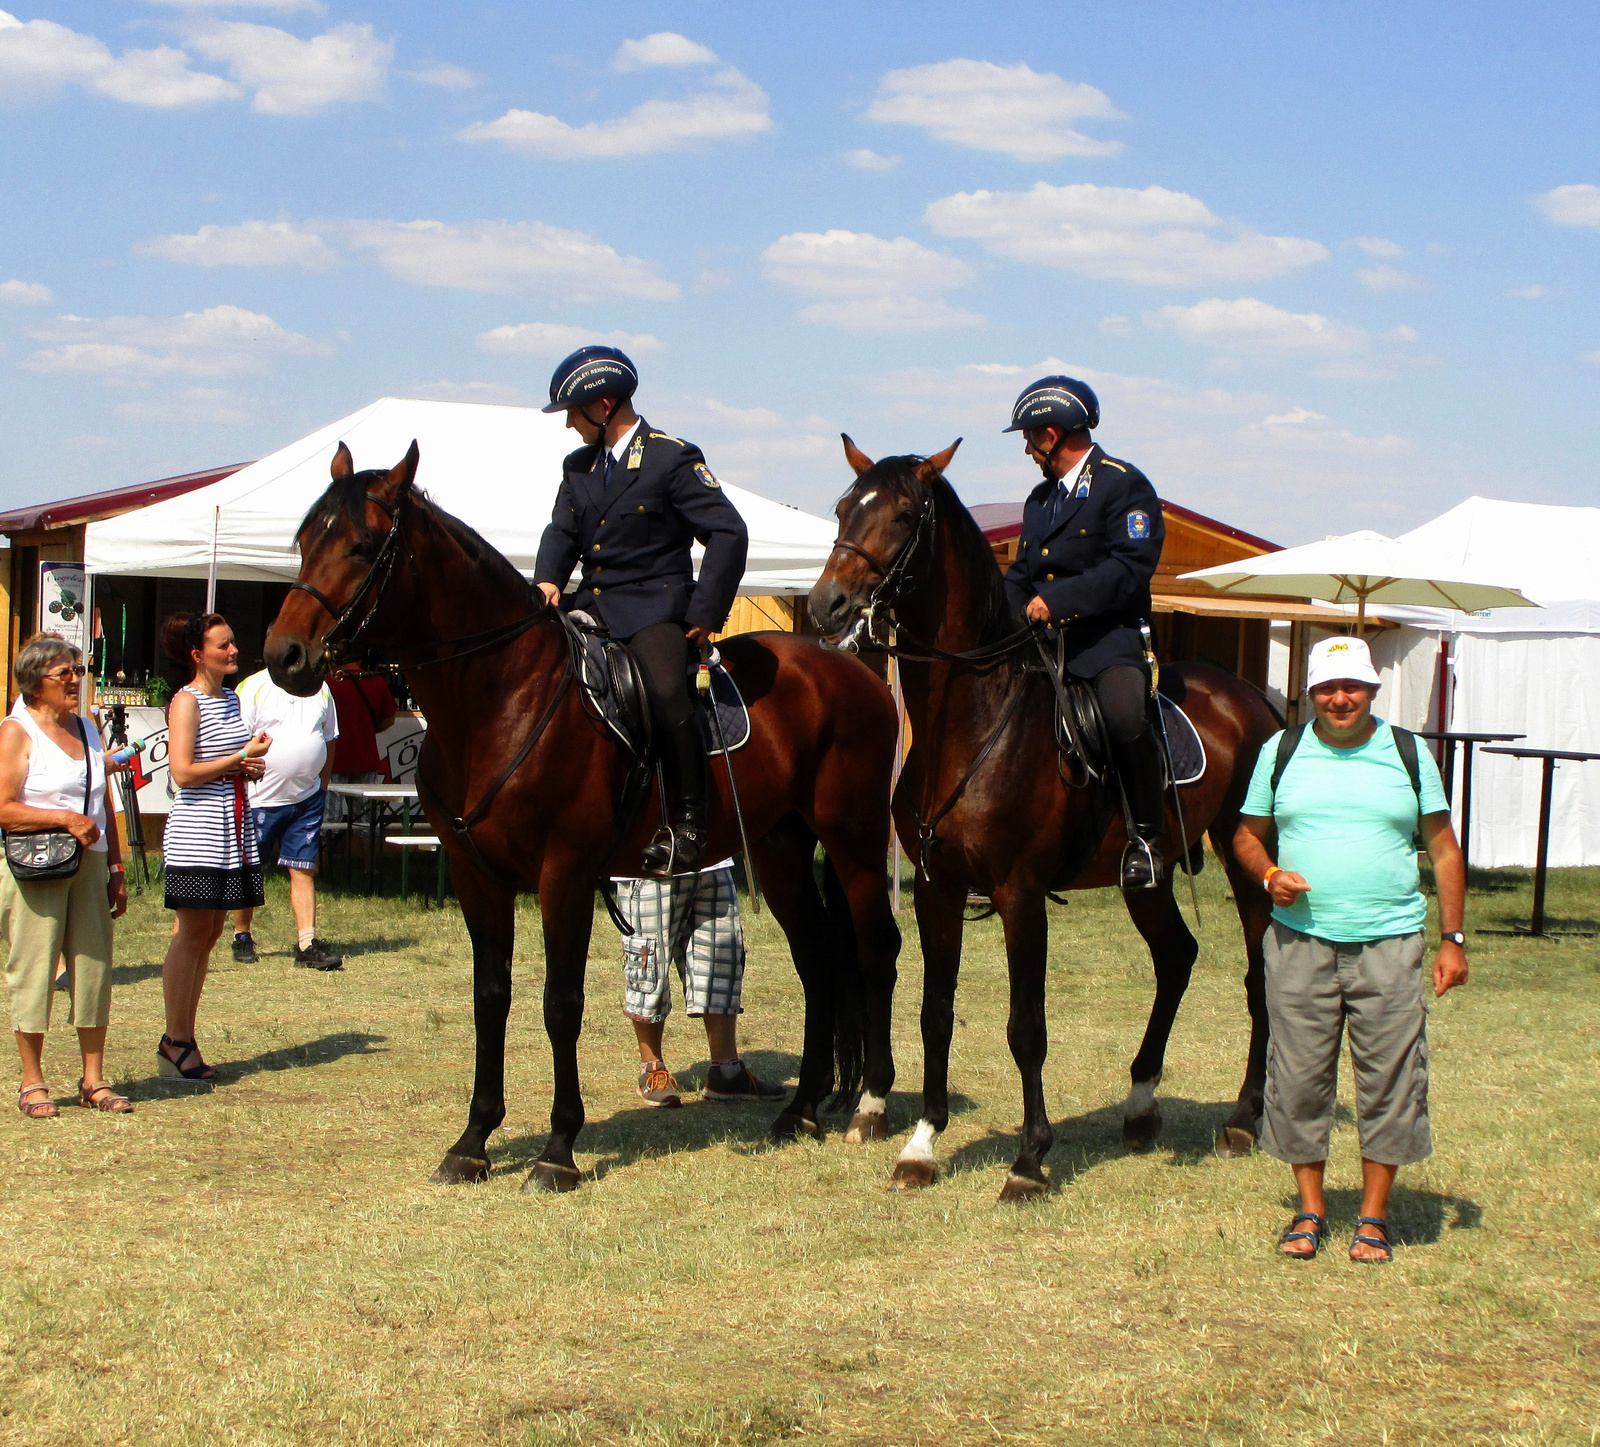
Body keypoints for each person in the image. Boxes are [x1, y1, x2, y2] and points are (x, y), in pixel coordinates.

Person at [1233, 635, 1468, 1263]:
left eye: (1353, 687)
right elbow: (1247, 836)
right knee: (1299, 1077)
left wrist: (1453, 940)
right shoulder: (1280, 752)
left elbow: (1444, 850)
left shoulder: (1408, 752)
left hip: (1390, 944)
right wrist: (1266, 875)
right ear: (1311, 693)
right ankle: (1309, 1211)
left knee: (1390, 1077)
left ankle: (1373, 1216)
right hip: (1300, 943)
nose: (1341, 699)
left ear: (1372, 689)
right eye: (1328, 688)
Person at [533, 346, 749, 875]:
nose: (567, 427)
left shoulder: (670, 458)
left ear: (604, 405)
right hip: (591, 609)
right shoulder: (578, 466)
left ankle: (690, 824)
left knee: (668, 689)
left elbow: (728, 531)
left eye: (572, 414)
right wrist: (546, 581)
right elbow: (562, 531)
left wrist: (706, 610)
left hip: (655, 610)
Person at [1000, 376, 1168, 889]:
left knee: (1123, 718)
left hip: (1108, 639)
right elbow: (1021, 576)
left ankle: (1147, 837)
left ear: (1050, 436)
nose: (1027, 451)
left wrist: (1057, 601)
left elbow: (1129, 567)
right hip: (1048, 647)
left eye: (1029, 439)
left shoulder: (1123, 484)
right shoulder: (1039, 500)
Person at [0, 635, 130, 1116]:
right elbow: (4, 808)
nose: (75, 679)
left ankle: (93, 1080)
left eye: (77, 669)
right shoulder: (17, 731)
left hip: (90, 862)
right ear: (36, 684)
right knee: (33, 969)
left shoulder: (88, 725)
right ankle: (32, 1082)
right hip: (36, 865)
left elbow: (102, 799)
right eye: (64, 673)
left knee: (94, 969)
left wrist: (115, 866)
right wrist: (64, 820)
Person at [157, 612, 272, 1080]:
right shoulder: (187, 702)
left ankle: (184, 1037)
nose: (233, 651)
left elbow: (221, 760)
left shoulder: (230, 698)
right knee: (191, 934)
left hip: (232, 833)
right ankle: (175, 1039)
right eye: (222, 646)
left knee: (210, 935)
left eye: (232, 643)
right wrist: (241, 756)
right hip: (197, 835)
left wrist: (245, 767)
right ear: (197, 654)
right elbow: (182, 772)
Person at [614, 858, 785, 1106]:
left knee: (721, 959)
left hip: (713, 858)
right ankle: (652, 1070)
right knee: (648, 965)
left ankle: (726, 1072)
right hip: (649, 862)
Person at [229, 666, 342, 971]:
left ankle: (307, 944)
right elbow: (237, 741)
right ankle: (242, 935)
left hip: (307, 798)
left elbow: (329, 736)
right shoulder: (253, 686)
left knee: (303, 869)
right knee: (249, 870)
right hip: (260, 800)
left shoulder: (320, 687)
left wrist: (323, 783)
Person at [328, 667, 397, 817]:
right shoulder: (376, 681)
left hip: (332, 761)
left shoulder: (325, 682)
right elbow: (389, 719)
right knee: (367, 825)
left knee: (329, 824)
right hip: (366, 757)